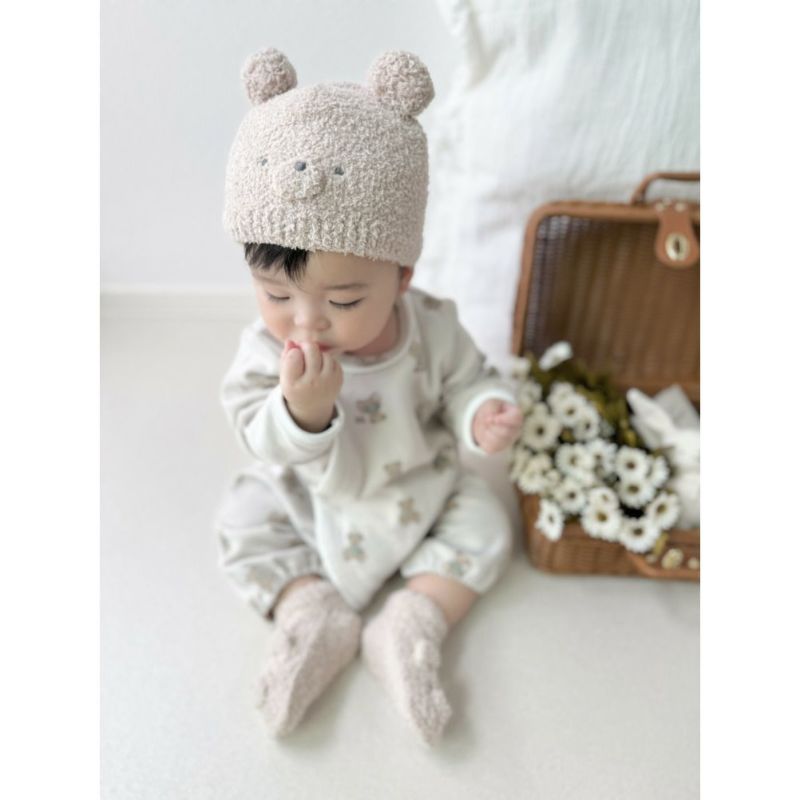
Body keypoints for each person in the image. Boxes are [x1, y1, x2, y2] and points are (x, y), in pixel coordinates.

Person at [215, 48, 523, 745]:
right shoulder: (266, 351)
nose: (306, 323)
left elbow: (468, 380)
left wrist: (482, 412)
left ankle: (413, 619)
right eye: (275, 295)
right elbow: (252, 426)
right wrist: (302, 413)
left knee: (487, 521)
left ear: (402, 275)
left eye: (344, 300)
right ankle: (308, 610)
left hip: (416, 487)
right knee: (243, 515)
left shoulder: (431, 329)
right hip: (309, 497)